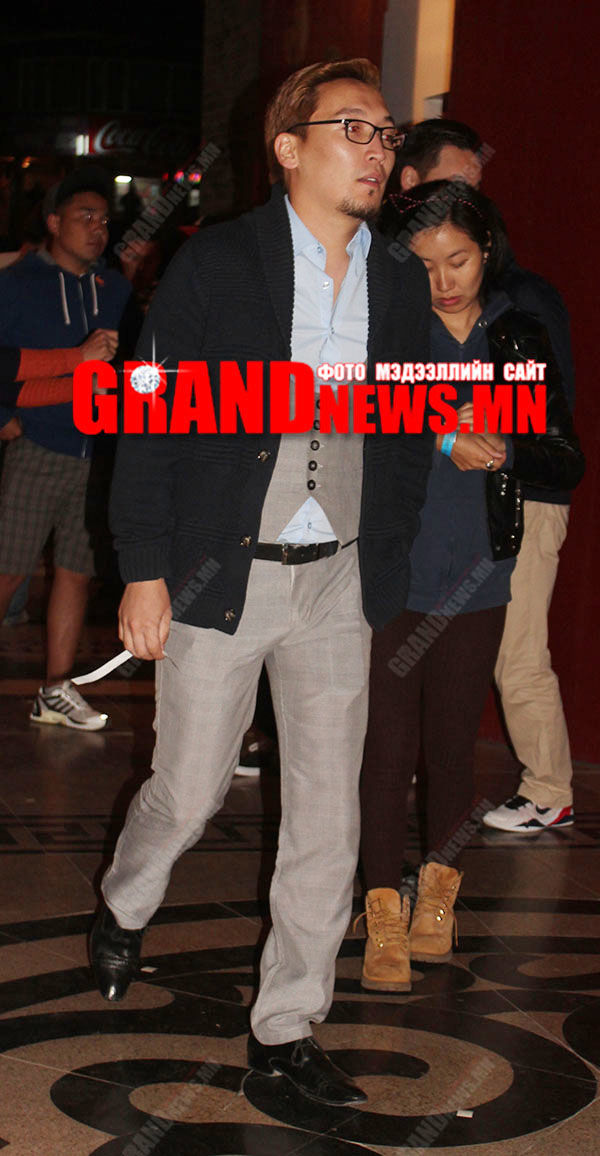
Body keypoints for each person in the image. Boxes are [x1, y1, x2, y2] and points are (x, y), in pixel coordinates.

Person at [90, 57, 433, 1107]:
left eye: (386, 134)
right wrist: (145, 568)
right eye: (353, 128)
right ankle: (125, 899)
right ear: (289, 148)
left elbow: (406, 427)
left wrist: (391, 554)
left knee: (327, 819)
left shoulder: (397, 277)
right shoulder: (218, 262)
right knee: (188, 791)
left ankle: (286, 1030)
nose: (378, 150)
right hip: (222, 573)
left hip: (337, 581)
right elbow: (147, 416)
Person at [357, 181, 584, 993]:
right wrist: (438, 431)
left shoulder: (517, 334)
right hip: (392, 567)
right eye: (423, 265)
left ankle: (438, 903)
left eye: (457, 259)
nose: (444, 280)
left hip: (479, 570)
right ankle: (382, 913)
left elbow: (565, 457)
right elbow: (349, 413)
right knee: (386, 752)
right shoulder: (391, 329)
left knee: (452, 750)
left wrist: (507, 447)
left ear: (486, 250)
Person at [397, 119, 579, 831]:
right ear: (412, 184)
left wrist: (488, 432)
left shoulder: (518, 302)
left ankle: (548, 788)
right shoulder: (404, 300)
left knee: (516, 651)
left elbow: (552, 425)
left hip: (520, 497)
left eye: (476, 183)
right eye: (457, 180)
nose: (472, 193)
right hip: (460, 503)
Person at [0, 167, 131, 729]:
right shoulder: (17, 283)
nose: (98, 228)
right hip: (38, 445)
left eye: (104, 219)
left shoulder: (114, 289)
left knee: (77, 572)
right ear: (54, 223)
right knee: (8, 570)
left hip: (97, 453)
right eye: (85, 217)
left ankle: (55, 689)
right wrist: (5, 419)